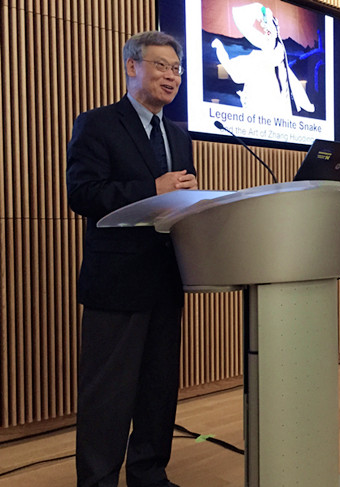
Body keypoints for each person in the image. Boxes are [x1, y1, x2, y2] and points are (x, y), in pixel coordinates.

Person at [67, 31, 197, 487]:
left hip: (166, 279)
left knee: (158, 389)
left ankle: (149, 473)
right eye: (161, 66)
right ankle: (98, 480)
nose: (172, 77)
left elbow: (179, 201)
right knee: (108, 393)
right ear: (131, 67)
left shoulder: (179, 136)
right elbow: (82, 195)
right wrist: (152, 188)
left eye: (177, 70)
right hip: (117, 282)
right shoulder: (98, 124)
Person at [210, 2, 315, 115]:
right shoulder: (263, 46)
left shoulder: (277, 50)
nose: (267, 29)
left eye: (270, 26)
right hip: (262, 106)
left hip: (278, 108)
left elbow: (277, 62)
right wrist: (257, 10)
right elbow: (242, 22)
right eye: (265, 27)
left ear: (276, 28)